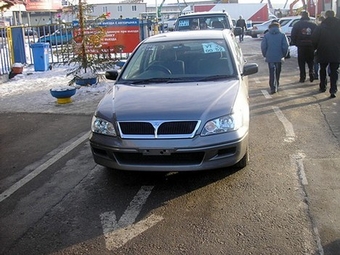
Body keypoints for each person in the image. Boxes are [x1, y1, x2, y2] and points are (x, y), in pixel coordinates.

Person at [312, 10, 340, 98]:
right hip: (336, 51)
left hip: (323, 50)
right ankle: (333, 90)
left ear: (326, 16)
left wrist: (316, 48)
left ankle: (323, 86)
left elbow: (314, 39)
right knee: (334, 71)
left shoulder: (321, 27)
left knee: (323, 69)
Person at [261, 22, 289, 94]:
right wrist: (284, 55)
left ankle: (272, 86)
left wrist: (265, 55)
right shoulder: (282, 35)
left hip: (270, 57)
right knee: (278, 71)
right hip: (279, 56)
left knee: (271, 71)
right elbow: (285, 46)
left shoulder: (266, 35)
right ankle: (277, 84)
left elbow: (263, 46)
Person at [291, 11, 317, 83]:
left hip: (301, 46)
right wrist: (315, 45)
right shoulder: (313, 24)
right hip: (311, 45)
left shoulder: (297, 24)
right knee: (311, 61)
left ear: (302, 16)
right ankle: (311, 72)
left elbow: (293, 35)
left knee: (301, 62)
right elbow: (317, 35)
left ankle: (302, 77)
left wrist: (297, 43)